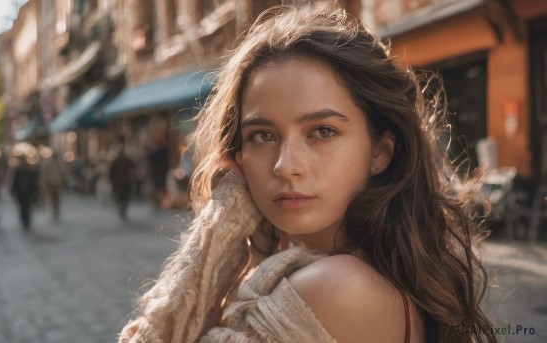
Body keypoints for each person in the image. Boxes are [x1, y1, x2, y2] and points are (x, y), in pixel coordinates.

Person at [118, 6, 496, 343]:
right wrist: (256, 257)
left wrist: (223, 226)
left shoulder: (336, 289)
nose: (285, 165)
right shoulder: (367, 274)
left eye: (322, 131)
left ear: (379, 151)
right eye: (262, 136)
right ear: (239, 154)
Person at [11, 157, 39, 231]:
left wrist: (36, 192)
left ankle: (26, 220)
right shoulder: (18, 171)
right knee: (22, 207)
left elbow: (34, 183)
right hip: (20, 192)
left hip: (28, 192)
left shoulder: (31, 171)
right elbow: (15, 182)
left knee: (27, 207)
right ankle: (24, 219)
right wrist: (13, 191)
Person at [40, 152, 68, 222]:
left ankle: (56, 212)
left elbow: (63, 173)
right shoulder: (49, 163)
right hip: (51, 183)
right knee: (52, 199)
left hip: (57, 183)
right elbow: (44, 173)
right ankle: (54, 212)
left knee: (56, 199)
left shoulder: (59, 163)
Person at [109, 146, 135, 220]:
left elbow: (111, 172)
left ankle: (121, 208)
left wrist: (112, 180)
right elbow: (133, 165)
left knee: (120, 195)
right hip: (126, 180)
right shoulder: (127, 159)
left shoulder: (115, 160)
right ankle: (123, 209)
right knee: (126, 196)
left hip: (119, 181)